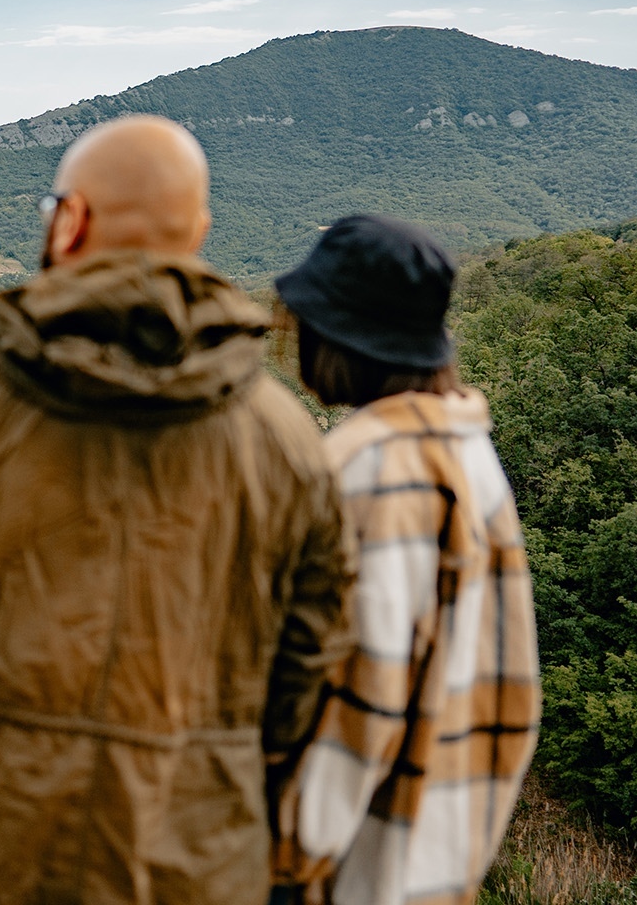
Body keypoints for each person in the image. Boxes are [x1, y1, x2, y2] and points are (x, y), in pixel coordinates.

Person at [0, 114, 356, 905]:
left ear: (70, 221)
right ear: (199, 230)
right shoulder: (286, 438)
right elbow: (310, 658)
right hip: (181, 851)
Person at [268, 215, 541, 905]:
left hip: (352, 865)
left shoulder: (377, 466)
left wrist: (286, 851)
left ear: (336, 339)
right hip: (436, 843)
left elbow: (368, 685)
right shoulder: (466, 447)